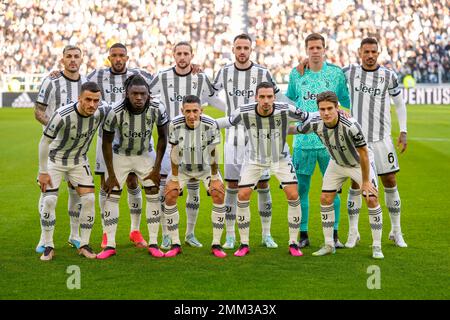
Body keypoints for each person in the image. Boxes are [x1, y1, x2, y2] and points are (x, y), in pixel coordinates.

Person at [213, 34, 294, 250]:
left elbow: (280, 99)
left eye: (245, 48)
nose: (242, 51)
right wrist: (227, 112)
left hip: (259, 138)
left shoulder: (262, 73)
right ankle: (230, 236)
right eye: (238, 47)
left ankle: (266, 234)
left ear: (251, 50)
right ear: (233, 49)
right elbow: (210, 95)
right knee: (232, 185)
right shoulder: (225, 72)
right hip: (232, 137)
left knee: (263, 184)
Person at [148, 41, 226, 250]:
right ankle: (166, 234)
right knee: (168, 188)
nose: (182, 57)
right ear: (173, 55)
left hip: (197, 143)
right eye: (179, 53)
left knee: (194, 191)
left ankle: (190, 233)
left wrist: (233, 114)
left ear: (192, 56)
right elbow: (145, 93)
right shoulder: (162, 76)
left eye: (186, 54)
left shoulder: (200, 77)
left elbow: (213, 98)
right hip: (171, 140)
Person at [216, 81, 306, 257]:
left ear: (274, 97)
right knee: (242, 195)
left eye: (269, 97)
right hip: (254, 159)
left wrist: (336, 113)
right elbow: (227, 121)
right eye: (262, 97)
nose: (266, 101)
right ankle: (244, 243)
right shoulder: (245, 111)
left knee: (293, 195)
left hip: (280, 158)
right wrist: (202, 121)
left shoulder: (285, 109)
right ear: (256, 97)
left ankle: (293, 243)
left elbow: (309, 117)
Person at [290, 91, 384, 259]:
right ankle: (329, 244)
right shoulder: (316, 122)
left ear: (337, 108)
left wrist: (365, 181)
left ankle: (377, 246)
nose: (326, 113)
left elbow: (363, 152)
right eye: (322, 109)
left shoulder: (351, 125)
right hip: (337, 163)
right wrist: (273, 127)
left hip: (358, 163)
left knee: (371, 198)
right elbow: (296, 130)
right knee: (325, 199)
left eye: (329, 109)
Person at [287, 33, 351, 249]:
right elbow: (290, 102)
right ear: (306, 50)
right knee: (301, 190)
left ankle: (333, 234)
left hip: (330, 143)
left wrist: (345, 115)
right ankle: (303, 234)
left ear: (324, 49)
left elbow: (346, 101)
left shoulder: (335, 74)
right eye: (311, 48)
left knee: (333, 190)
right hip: (303, 143)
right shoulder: (296, 74)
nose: (315, 51)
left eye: (318, 47)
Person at [87, 43, 154, 249]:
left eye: (121, 55)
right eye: (114, 55)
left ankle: (135, 230)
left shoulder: (141, 75)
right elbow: (77, 86)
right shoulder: (95, 76)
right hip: (106, 136)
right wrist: (57, 73)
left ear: (127, 57)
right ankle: (107, 233)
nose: (118, 59)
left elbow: (163, 85)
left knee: (133, 181)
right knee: (106, 183)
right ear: (109, 57)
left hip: (134, 138)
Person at [342, 37, 408, 248]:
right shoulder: (348, 72)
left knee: (389, 180)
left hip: (382, 140)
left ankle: (396, 231)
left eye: (373, 52)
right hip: (357, 140)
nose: (370, 56)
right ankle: (353, 233)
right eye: (366, 52)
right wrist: (306, 63)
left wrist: (404, 131)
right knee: (356, 183)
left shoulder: (388, 76)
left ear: (378, 53)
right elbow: (325, 69)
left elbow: (399, 104)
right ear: (360, 52)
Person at [97, 74, 168, 259]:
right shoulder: (115, 111)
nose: (139, 98)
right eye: (134, 93)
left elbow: (163, 137)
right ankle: (110, 245)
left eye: (143, 94)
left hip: (145, 154)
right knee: (112, 194)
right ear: (127, 94)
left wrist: (157, 167)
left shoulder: (158, 108)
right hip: (120, 155)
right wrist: (111, 173)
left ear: (148, 95)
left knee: (153, 193)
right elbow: (106, 142)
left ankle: (153, 242)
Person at [37, 81, 109, 261]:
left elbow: (122, 104)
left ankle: (83, 244)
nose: (92, 104)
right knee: (50, 200)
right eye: (88, 100)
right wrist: (42, 171)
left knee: (90, 199)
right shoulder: (62, 115)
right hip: (56, 159)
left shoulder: (101, 110)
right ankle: (48, 244)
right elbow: (44, 142)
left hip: (78, 161)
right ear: (79, 98)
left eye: (96, 100)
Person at [34, 45, 88, 253]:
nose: (73, 60)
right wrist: (53, 127)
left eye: (76, 57)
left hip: (77, 150)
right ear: (62, 60)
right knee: (48, 193)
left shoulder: (86, 83)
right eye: (69, 57)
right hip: (53, 147)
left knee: (76, 192)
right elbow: (38, 110)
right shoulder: (51, 80)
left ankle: (74, 236)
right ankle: (43, 239)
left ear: (81, 60)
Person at [163, 95, 226, 258]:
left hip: (205, 168)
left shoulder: (210, 124)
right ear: (182, 111)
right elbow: (174, 152)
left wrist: (214, 177)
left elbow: (213, 151)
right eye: (188, 111)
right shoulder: (174, 124)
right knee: (170, 194)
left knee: (218, 193)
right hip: (183, 168)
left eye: (195, 111)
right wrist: (175, 180)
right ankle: (175, 243)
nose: (191, 115)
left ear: (201, 111)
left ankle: (216, 244)